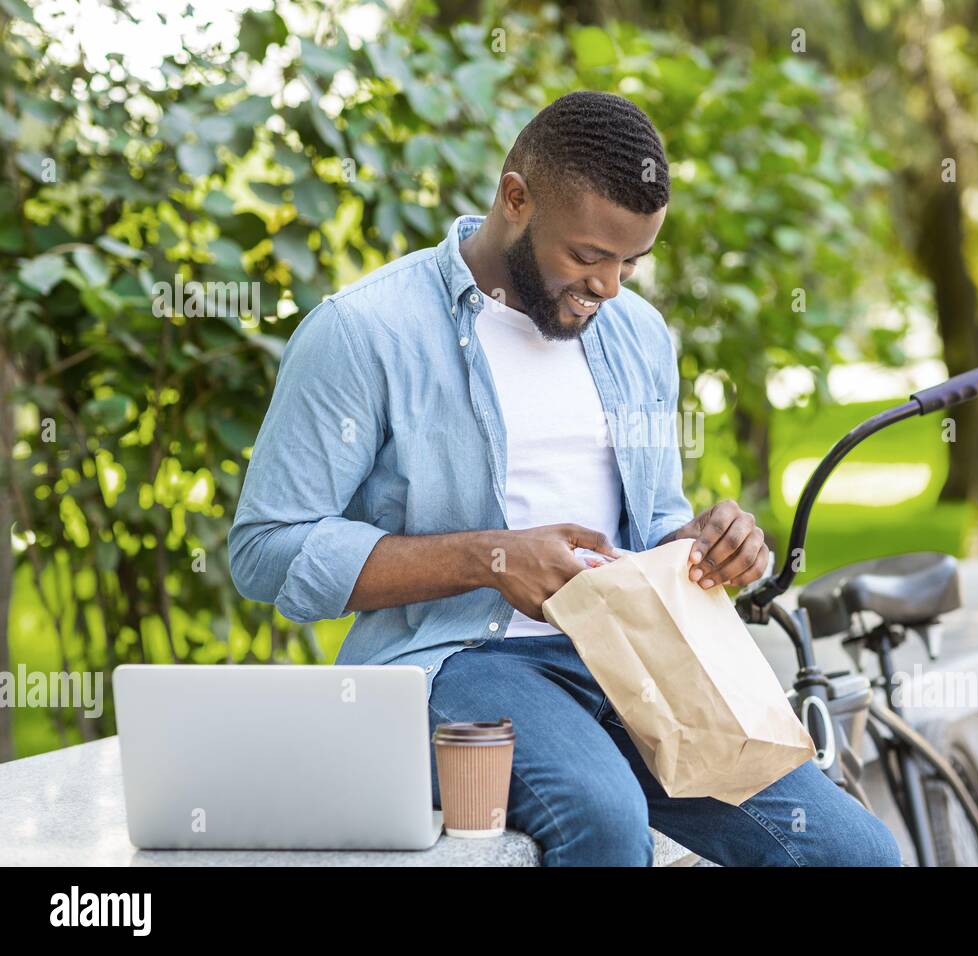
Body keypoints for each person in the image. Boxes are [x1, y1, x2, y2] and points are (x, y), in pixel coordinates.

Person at [229, 90, 902, 867]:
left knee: (853, 853)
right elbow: (266, 550)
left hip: (634, 654)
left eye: (630, 262)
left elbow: (650, 529)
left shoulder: (639, 335)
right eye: (588, 256)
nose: (610, 286)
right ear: (516, 198)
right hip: (462, 662)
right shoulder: (364, 332)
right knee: (605, 823)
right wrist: (493, 558)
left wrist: (705, 547)